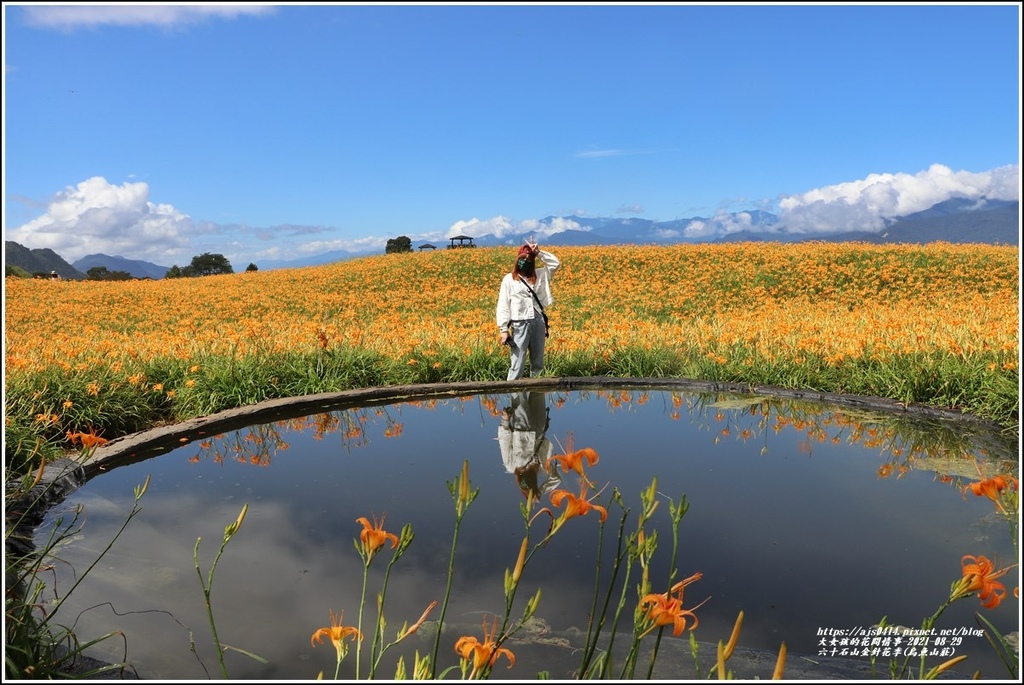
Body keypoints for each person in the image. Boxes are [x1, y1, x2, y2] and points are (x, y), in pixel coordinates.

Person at [495, 238, 560, 380]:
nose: (525, 262)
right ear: (517, 260)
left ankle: (536, 396)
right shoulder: (509, 279)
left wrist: (538, 252)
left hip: (538, 321)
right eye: (522, 259)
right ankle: (514, 397)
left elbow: (555, 264)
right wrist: (504, 330)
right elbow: (503, 304)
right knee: (517, 362)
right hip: (519, 323)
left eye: (529, 260)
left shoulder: (541, 274)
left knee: (538, 363)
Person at [497, 391, 561, 502]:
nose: (526, 483)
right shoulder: (541, 468)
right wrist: (540, 491)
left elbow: (504, 443)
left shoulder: (512, 467)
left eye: (524, 485)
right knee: (538, 392)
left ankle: (514, 373)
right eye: (530, 485)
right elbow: (556, 479)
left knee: (518, 391)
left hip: (521, 426)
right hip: (538, 427)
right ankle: (536, 373)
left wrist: (505, 421)